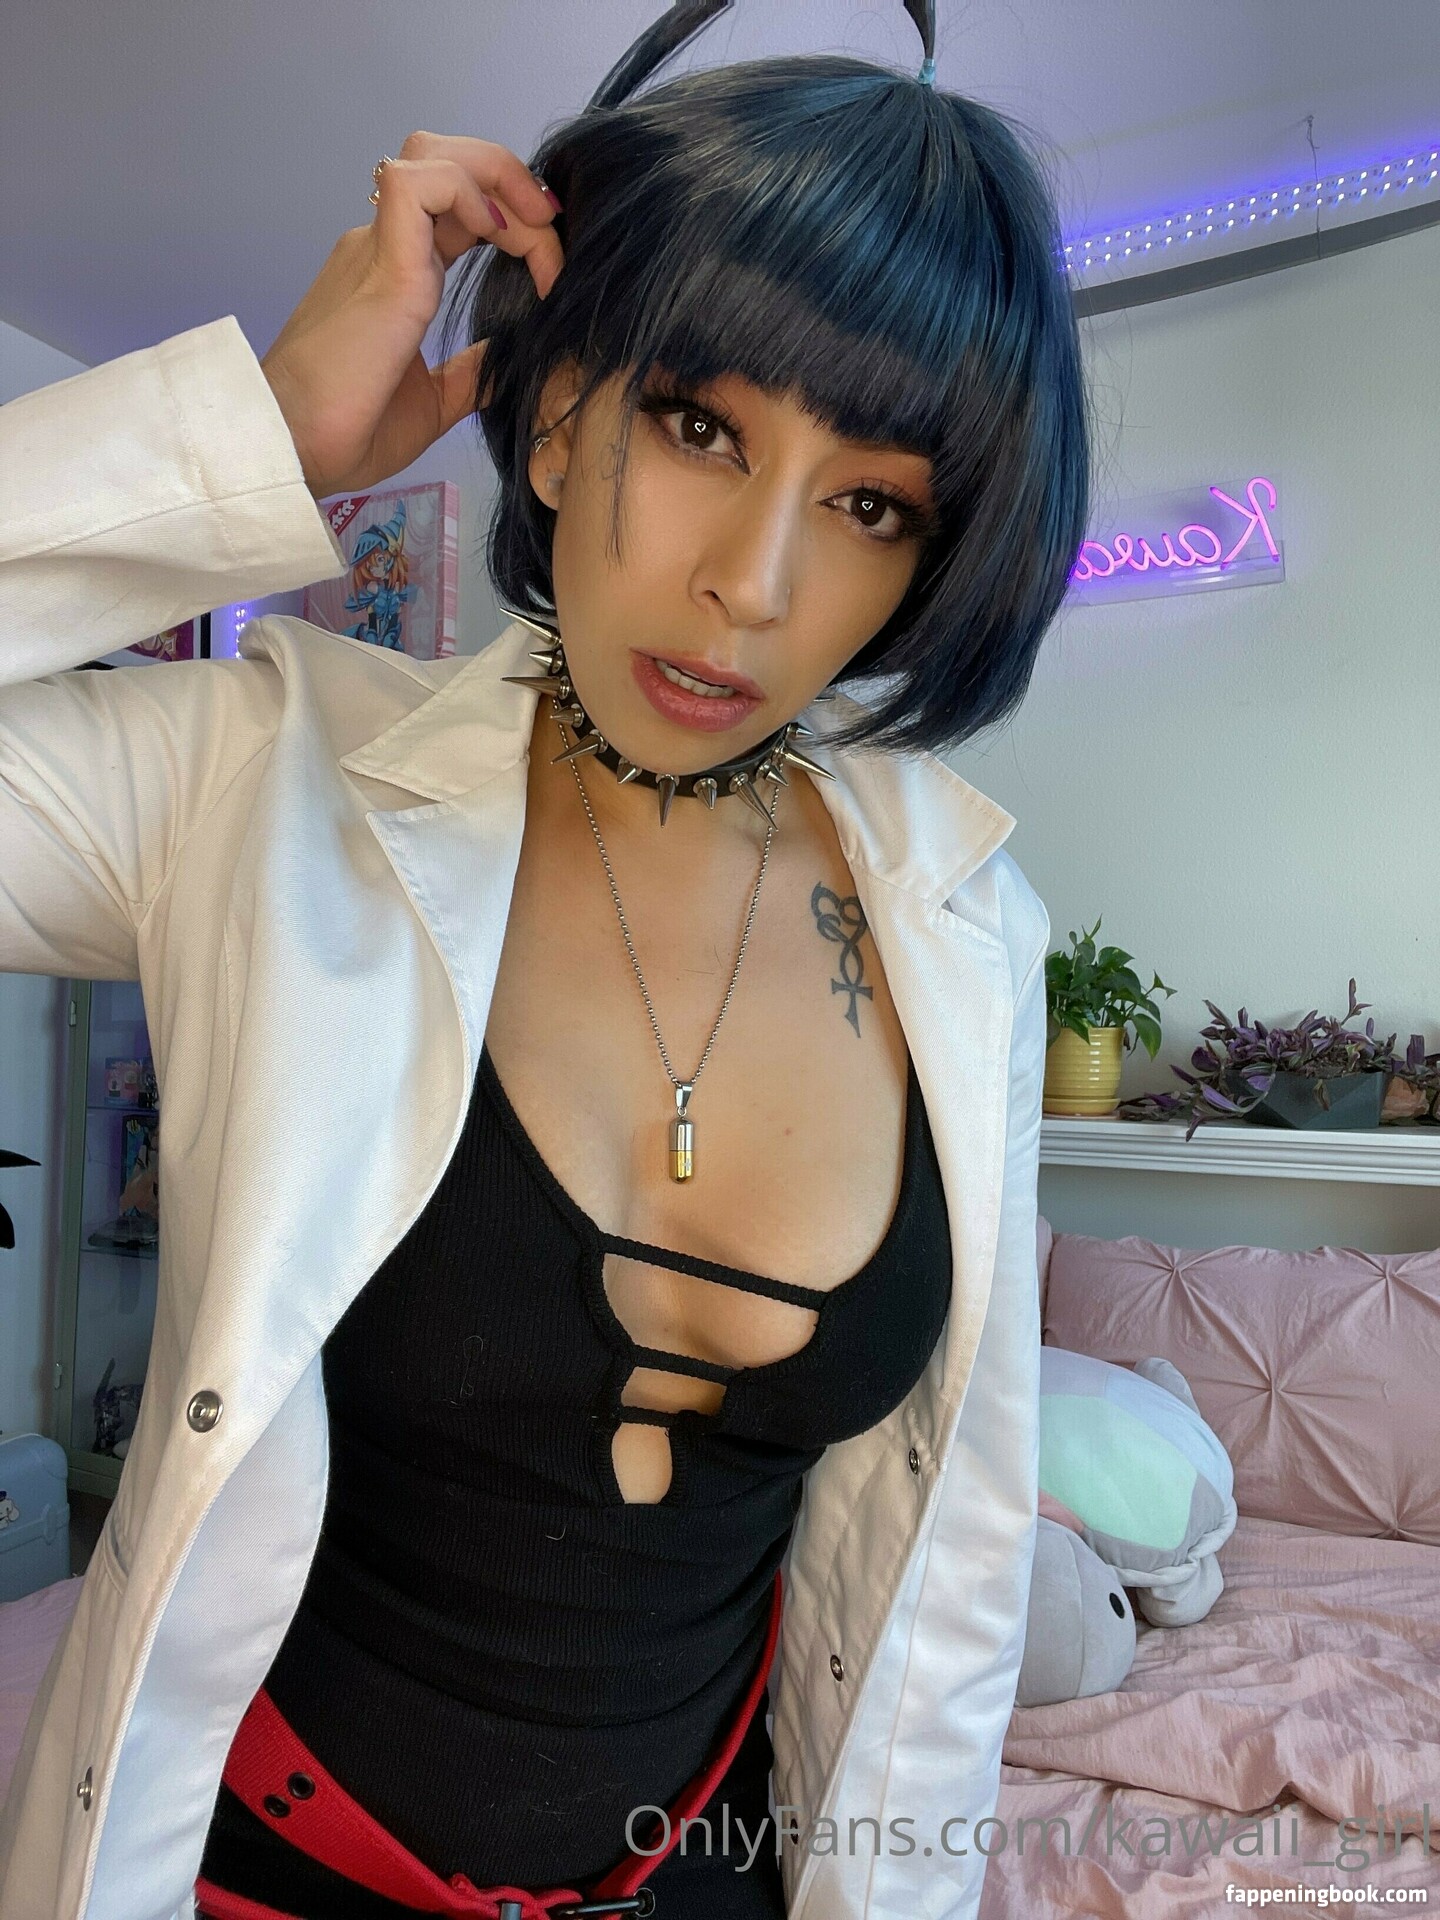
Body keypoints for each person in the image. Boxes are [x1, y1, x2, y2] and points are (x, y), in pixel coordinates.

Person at [0, 5, 1089, 1917]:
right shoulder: (264, 785)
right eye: (700, 426)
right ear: (564, 412)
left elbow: (951, 1581)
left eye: (868, 504)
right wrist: (257, 438)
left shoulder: (967, 926)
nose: (753, 583)